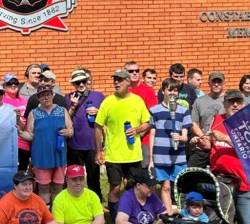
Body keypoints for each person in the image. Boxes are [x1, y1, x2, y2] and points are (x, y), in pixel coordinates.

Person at [207, 90, 250, 224]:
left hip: (244, 180)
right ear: (225, 104)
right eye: (231, 102)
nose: (235, 105)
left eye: (238, 102)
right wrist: (203, 141)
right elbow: (212, 145)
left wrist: (226, 138)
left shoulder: (248, 123)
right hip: (221, 178)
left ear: (243, 104)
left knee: (247, 222)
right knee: (219, 219)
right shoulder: (217, 120)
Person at [95, 69, 151, 214]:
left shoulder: (137, 101)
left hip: (133, 154)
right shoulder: (108, 102)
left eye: (119, 80)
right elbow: (98, 127)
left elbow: (147, 122)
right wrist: (98, 151)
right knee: (114, 187)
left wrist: (137, 129)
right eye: (115, 80)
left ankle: (131, 214)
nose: (116, 82)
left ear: (128, 82)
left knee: (132, 186)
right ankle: (114, 219)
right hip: (114, 154)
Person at [19, 85, 73, 204]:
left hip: (59, 154)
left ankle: (57, 215)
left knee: (58, 186)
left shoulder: (62, 110)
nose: (46, 97)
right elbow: (30, 135)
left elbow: (71, 129)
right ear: (38, 98)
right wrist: (20, 133)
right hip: (41, 156)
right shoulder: (34, 113)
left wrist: (68, 132)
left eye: (48, 94)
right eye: (42, 95)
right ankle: (46, 216)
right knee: (43, 187)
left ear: (52, 95)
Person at [148, 78, 192, 208]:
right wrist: (151, 159)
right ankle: (168, 213)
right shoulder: (154, 110)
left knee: (180, 187)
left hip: (178, 156)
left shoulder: (183, 111)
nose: (173, 92)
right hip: (160, 156)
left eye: (175, 90)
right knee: (165, 186)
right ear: (163, 91)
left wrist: (180, 138)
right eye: (170, 89)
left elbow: (185, 138)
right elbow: (152, 135)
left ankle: (183, 212)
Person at [64, 68, 104, 198]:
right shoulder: (67, 98)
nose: (81, 85)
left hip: (93, 144)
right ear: (73, 84)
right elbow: (65, 120)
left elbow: (107, 119)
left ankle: (96, 201)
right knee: (75, 176)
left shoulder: (98, 96)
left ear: (88, 81)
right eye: (77, 83)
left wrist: (98, 112)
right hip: (74, 145)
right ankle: (74, 200)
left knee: (94, 176)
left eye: (83, 81)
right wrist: (73, 106)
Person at [187, 71, 224, 169]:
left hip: (222, 145)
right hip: (203, 145)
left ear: (223, 83)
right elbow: (193, 123)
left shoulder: (229, 101)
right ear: (209, 83)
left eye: (219, 82)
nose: (216, 84)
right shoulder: (199, 101)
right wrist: (203, 138)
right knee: (190, 173)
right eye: (213, 81)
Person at [1, 74, 30, 171]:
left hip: (23, 142)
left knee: (21, 173)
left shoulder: (23, 100)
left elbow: (26, 123)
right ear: (4, 86)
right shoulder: (1, 100)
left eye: (15, 83)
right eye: (10, 83)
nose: (13, 86)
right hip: (7, 143)